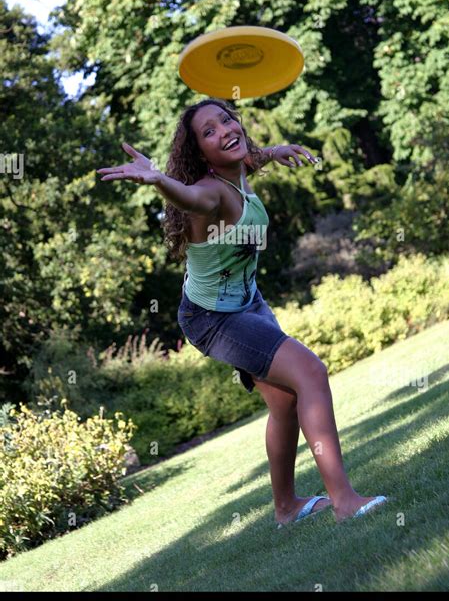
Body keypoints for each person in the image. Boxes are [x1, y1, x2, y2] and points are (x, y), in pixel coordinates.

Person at [97, 97, 387, 525]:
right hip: (212, 318)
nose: (224, 131)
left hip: (247, 302)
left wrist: (276, 151)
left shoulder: (237, 172)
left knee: (285, 401)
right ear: (200, 154)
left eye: (226, 120)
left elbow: (249, 158)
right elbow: (190, 198)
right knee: (310, 373)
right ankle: (344, 501)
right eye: (208, 132)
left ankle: (286, 508)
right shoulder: (211, 192)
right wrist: (158, 179)